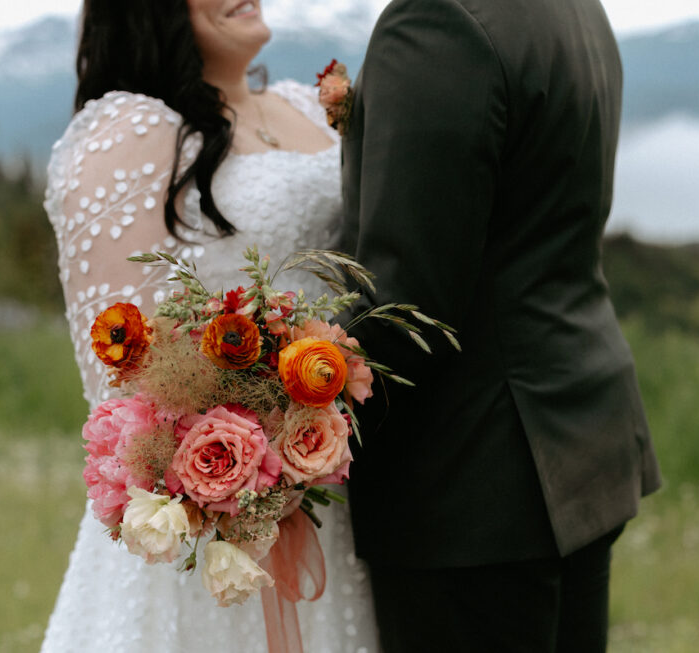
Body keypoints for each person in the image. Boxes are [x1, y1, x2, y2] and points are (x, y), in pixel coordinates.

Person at [40, 1, 379, 650]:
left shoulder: (305, 106)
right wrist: (248, 450)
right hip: (217, 520)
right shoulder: (129, 132)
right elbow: (120, 375)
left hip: (337, 495)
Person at [338, 0, 662, 651]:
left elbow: (407, 311)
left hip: (471, 482)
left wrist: (280, 398)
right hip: (578, 441)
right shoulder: (574, 10)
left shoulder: (436, 20)